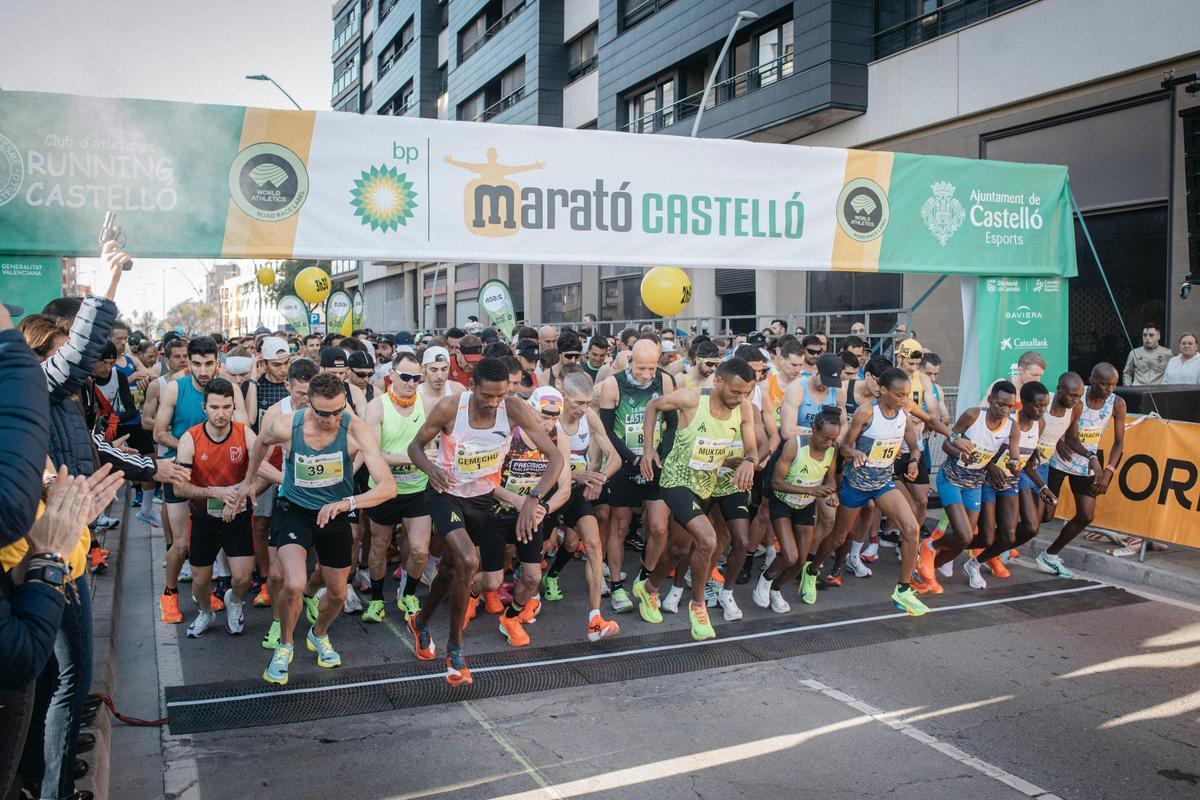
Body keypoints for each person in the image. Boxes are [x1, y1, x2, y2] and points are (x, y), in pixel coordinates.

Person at [404, 358, 562, 685]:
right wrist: (431, 470)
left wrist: (534, 496)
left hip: (481, 499)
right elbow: (414, 447)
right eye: (487, 396)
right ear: (473, 385)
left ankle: (420, 623)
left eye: (500, 396)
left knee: (451, 570)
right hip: (446, 494)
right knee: (467, 560)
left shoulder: (513, 408)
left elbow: (556, 458)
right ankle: (455, 652)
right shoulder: (451, 408)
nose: (493, 403)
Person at [237, 373, 394, 684]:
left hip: (334, 514)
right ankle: (285, 645)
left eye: (338, 411)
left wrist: (348, 502)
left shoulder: (355, 429)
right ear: (309, 402)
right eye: (324, 413)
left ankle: (318, 634)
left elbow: (387, 487)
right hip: (294, 510)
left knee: (336, 593)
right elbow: (259, 444)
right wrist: (248, 482)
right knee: (293, 583)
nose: (332, 419)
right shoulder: (286, 425)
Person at [639, 359, 757, 640]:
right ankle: (698, 605)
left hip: (706, 485)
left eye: (747, 393)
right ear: (718, 381)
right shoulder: (691, 399)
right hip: (676, 481)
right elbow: (653, 406)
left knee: (678, 549)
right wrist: (647, 449)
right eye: (736, 392)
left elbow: (752, 445)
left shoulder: (744, 409)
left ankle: (649, 590)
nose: (741, 398)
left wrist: (749, 461)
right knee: (707, 539)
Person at [804, 368, 930, 615]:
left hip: (883, 483)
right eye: (899, 394)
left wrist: (914, 461)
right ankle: (811, 569)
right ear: (883, 391)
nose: (904, 399)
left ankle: (902, 591)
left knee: (912, 528)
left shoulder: (904, 413)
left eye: (907, 395)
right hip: (856, 484)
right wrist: (856, 453)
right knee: (839, 537)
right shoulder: (867, 412)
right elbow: (844, 447)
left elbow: (914, 447)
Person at [155, 336, 247, 624]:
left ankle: (213, 592)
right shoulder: (174, 388)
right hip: (182, 472)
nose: (204, 370)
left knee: (219, 538)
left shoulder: (229, 389)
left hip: (219, 475)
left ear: (218, 362)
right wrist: (190, 451)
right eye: (197, 364)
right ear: (188, 363)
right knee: (181, 544)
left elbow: (243, 431)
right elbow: (159, 432)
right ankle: (169, 595)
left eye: (209, 364)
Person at [173, 378, 261, 637]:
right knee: (200, 581)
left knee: (244, 579)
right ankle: (205, 611)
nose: (220, 413)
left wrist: (244, 490)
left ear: (234, 407)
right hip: (203, 518)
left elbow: (261, 471)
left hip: (238, 516)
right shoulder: (190, 439)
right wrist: (215, 492)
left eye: (226, 407)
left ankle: (234, 602)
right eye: (214, 407)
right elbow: (179, 488)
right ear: (204, 408)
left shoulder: (245, 433)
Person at [487, 387, 573, 647]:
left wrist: (542, 509)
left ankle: (510, 618)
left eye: (555, 418)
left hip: (530, 514)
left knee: (533, 577)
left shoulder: (559, 439)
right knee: (491, 579)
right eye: (544, 417)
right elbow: (484, 481)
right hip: (496, 510)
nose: (549, 425)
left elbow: (565, 488)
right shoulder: (507, 433)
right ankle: (472, 593)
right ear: (529, 409)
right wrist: (516, 500)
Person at [596, 339, 676, 616]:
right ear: (630, 361)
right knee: (620, 525)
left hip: (654, 460)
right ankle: (617, 584)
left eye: (651, 368)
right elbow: (606, 431)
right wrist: (633, 459)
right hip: (625, 463)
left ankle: (645, 578)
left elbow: (672, 425)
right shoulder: (612, 385)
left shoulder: (665, 381)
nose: (645, 374)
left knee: (658, 527)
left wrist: (657, 454)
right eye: (641, 368)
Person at [919, 381, 1021, 593]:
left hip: (974, 484)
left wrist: (1014, 464)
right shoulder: (973, 416)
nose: (1004, 410)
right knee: (964, 535)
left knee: (963, 539)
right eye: (1000, 404)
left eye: (1009, 406)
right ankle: (930, 546)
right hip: (951, 479)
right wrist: (960, 452)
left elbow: (1014, 456)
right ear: (991, 399)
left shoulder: (1012, 426)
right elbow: (948, 442)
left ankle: (927, 568)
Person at [975, 373, 1084, 570]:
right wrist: (992, 466)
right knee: (998, 532)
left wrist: (1043, 485)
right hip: (1001, 474)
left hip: (1029, 470)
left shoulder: (1044, 421)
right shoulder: (1012, 419)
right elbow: (990, 445)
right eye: (1038, 406)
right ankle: (983, 551)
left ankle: (994, 551)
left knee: (1036, 524)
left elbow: (1031, 452)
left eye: (1045, 406)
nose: (1042, 410)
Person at [546, 371, 622, 641]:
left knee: (592, 545)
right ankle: (534, 590)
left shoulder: (589, 417)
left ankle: (594, 619)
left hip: (576, 493)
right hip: (550, 493)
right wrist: (575, 474)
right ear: (562, 394)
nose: (583, 408)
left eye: (588, 402)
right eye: (577, 402)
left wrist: (600, 479)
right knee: (552, 546)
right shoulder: (549, 418)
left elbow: (614, 457)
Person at [363, 352, 432, 623]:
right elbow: (374, 455)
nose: (411, 383)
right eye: (405, 377)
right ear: (391, 375)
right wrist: (415, 457)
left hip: (417, 488)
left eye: (417, 378)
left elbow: (434, 447)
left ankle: (408, 593)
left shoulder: (426, 405)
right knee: (379, 547)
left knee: (419, 550)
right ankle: (377, 599)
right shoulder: (377, 406)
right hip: (384, 488)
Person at [1040, 363, 1126, 577]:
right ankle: (1005, 538)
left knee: (1086, 516)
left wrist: (1109, 471)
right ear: (1092, 380)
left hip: (1087, 463)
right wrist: (1058, 439)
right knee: (1046, 515)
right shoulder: (1077, 394)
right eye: (1105, 384)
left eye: (1113, 385)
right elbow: (1059, 421)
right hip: (1059, 460)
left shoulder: (1117, 404)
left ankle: (1049, 555)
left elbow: (1119, 443)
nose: (1109, 389)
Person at [757, 409, 840, 612]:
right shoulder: (795, 445)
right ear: (813, 430)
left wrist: (831, 492)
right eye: (825, 438)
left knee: (801, 561)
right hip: (783, 503)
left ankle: (776, 589)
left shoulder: (832, 449)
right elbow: (776, 483)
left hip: (805, 505)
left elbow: (830, 476)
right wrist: (811, 490)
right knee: (790, 556)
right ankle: (766, 579)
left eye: (833, 439)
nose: (829, 443)